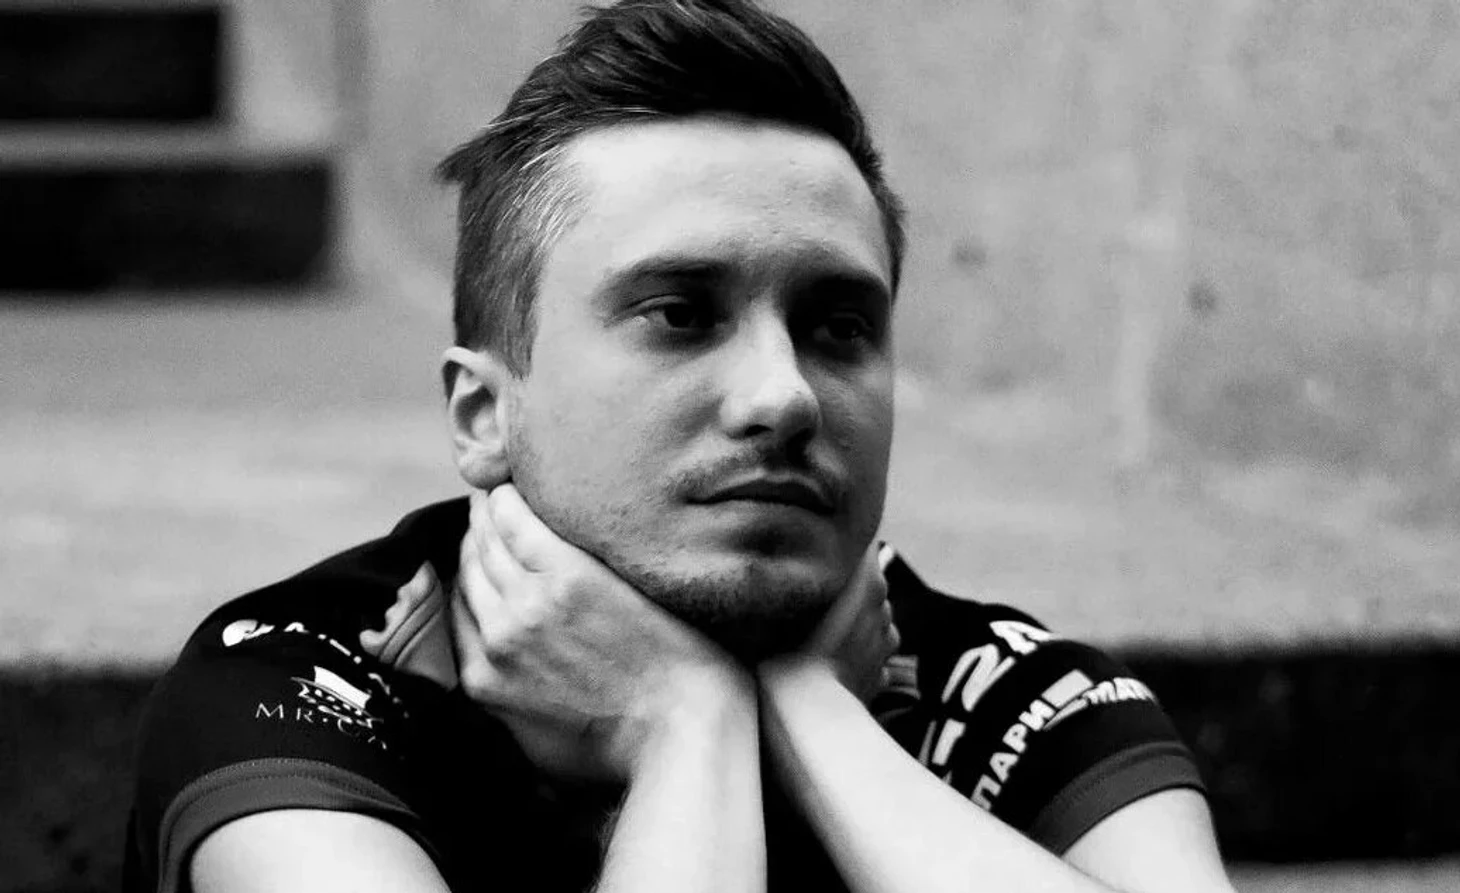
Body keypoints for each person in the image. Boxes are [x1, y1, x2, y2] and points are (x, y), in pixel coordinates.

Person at [124, 2, 1237, 891]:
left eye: (838, 326)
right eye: (680, 313)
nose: (783, 395)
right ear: (482, 414)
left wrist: (808, 710)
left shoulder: (1011, 693)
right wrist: (686, 717)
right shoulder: (294, 688)